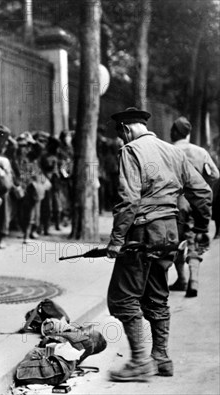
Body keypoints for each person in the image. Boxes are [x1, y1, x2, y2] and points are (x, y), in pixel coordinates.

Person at [106, 107, 212, 382]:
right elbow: (202, 191)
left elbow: (128, 200)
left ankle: (140, 361)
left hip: (142, 233)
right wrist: (201, 227)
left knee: (122, 298)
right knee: (157, 294)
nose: (121, 141)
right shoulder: (173, 152)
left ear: (126, 129)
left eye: (120, 135)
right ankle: (161, 357)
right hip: (170, 233)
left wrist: (116, 240)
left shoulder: (131, 151)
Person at [169, 116, 219, 297]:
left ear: (174, 132)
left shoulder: (167, 150)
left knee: (175, 241)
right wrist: (202, 186)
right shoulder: (200, 152)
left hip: (175, 203)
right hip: (197, 203)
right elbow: (215, 174)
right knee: (195, 241)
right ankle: (194, 281)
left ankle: (181, 278)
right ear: (188, 134)